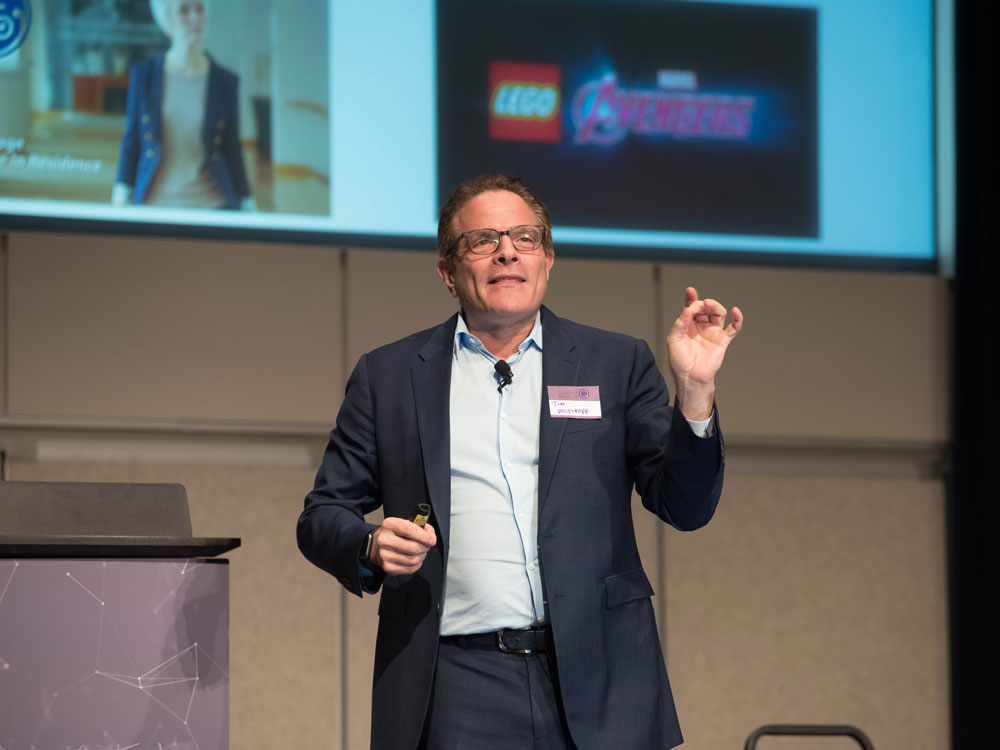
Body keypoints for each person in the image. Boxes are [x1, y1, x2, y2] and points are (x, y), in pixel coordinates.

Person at [297, 174, 743, 749]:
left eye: (525, 238)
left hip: (602, 676)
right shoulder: (389, 377)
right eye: (482, 240)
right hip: (457, 682)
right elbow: (321, 515)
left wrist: (696, 394)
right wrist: (369, 545)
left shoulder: (614, 363)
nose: (507, 251)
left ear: (548, 261)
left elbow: (684, 506)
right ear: (447, 272)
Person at [112, 0, 253, 210]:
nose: (194, 18)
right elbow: (132, 141)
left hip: (212, 205)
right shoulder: (144, 75)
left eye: (200, 9)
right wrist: (122, 189)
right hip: (156, 205)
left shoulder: (226, 81)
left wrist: (246, 199)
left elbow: (231, 148)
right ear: (168, 18)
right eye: (184, 10)